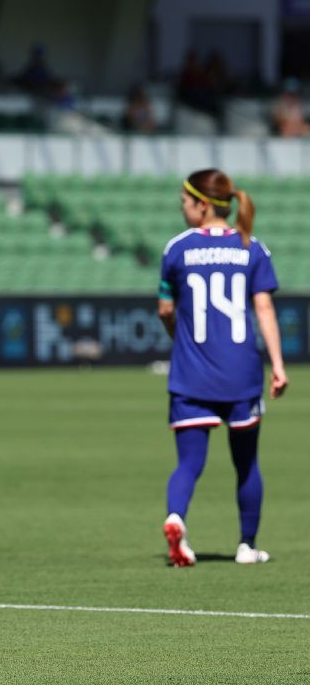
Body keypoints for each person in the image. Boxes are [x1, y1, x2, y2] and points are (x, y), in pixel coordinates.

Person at [156, 169, 288, 568]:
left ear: (202, 204)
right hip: (241, 374)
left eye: (184, 202)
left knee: (189, 463)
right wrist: (279, 366)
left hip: (191, 374)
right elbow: (263, 309)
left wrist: (178, 335)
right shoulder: (253, 248)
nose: (182, 208)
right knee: (246, 462)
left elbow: (165, 308)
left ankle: (176, 518)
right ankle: (247, 546)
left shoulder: (177, 249)